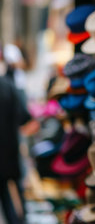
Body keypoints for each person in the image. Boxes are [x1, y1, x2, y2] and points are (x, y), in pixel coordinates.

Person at [0, 75, 31, 224]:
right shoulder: (8, 85)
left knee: (7, 198)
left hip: (7, 153)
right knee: (14, 195)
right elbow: (23, 116)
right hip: (10, 151)